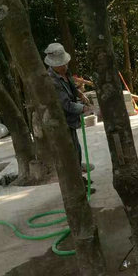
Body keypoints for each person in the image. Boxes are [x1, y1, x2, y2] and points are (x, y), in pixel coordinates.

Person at [44, 43, 95, 192]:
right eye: (62, 64)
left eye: (65, 63)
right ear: (54, 65)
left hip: (70, 120)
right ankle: (77, 186)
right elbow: (65, 104)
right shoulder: (52, 81)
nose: (65, 66)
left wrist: (80, 94)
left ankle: (79, 180)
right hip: (61, 121)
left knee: (76, 151)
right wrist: (84, 108)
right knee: (71, 154)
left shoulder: (64, 72)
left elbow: (71, 86)